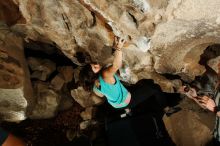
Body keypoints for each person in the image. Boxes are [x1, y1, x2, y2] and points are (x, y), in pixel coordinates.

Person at [79, 36, 181, 116]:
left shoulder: (94, 86)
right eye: (95, 67)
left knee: (142, 84)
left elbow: (101, 95)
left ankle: (128, 110)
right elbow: (116, 65)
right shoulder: (104, 74)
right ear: (93, 74)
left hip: (116, 105)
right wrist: (119, 48)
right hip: (127, 100)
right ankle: (167, 109)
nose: (97, 65)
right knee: (155, 88)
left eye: (94, 64)